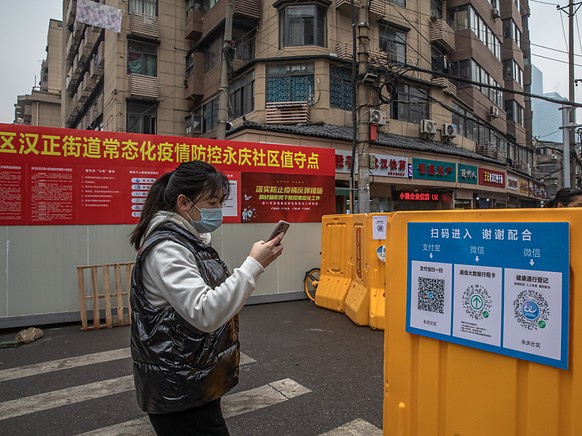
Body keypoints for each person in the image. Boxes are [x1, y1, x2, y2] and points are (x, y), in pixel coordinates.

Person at [128, 160, 284, 435]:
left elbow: (214, 301)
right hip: (179, 390)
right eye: (212, 202)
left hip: (191, 379)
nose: (218, 210)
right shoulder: (167, 248)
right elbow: (205, 312)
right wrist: (253, 265)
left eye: (221, 201)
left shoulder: (191, 239)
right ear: (184, 203)